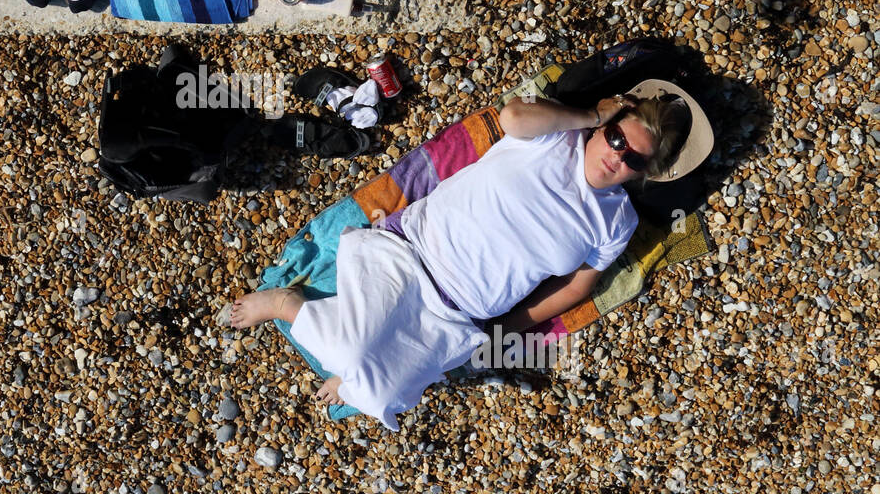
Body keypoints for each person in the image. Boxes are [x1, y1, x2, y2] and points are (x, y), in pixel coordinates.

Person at [230, 80, 709, 431]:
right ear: (607, 127)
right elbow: (512, 116)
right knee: (352, 351)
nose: (617, 155)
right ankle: (283, 303)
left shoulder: (616, 221)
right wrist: (590, 115)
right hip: (412, 255)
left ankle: (351, 367)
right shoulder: (555, 137)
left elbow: (579, 286)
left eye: (634, 159)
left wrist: (510, 327)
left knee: (383, 396)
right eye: (617, 138)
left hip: (462, 313)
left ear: (643, 173)